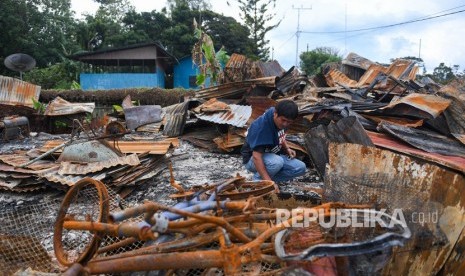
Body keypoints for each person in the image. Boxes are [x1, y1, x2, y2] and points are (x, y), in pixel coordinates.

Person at [241, 100, 307, 183]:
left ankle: (266, 179)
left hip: (272, 156)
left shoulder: (281, 117)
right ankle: (259, 181)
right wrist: (269, 183)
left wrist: (287, 149)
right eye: (283, 120)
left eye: (289, 122)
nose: (285, 124)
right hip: (252, 159)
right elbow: (256, 157)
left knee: (300, 168)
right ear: (275, 114)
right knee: (276, 162)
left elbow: (280, 135)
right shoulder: (262, 129)